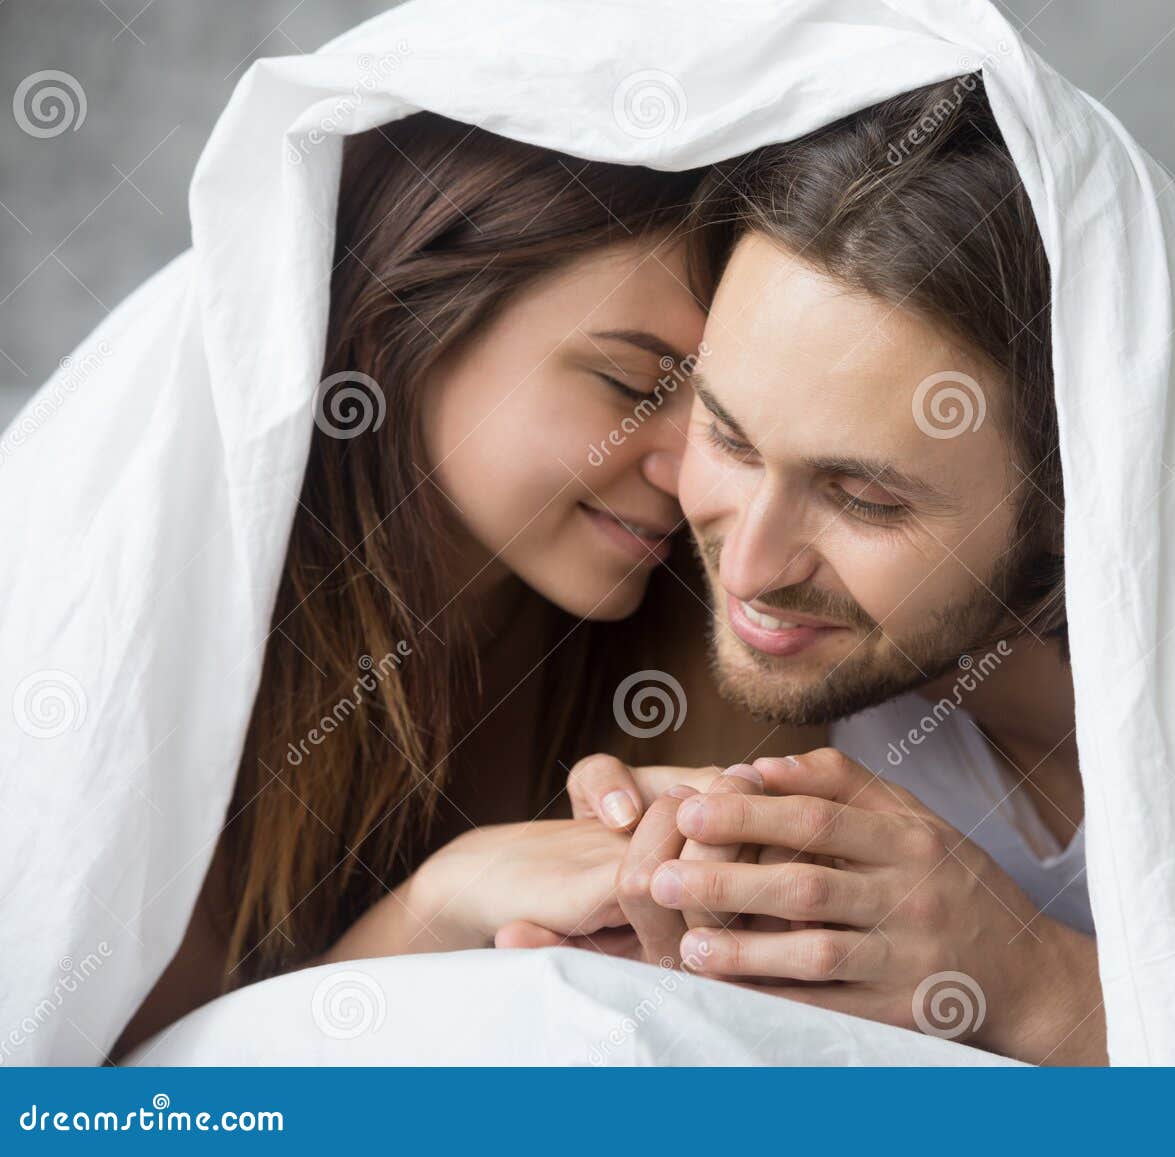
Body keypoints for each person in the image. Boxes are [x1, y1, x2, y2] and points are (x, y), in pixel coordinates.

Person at [114, 112, 821, 1057]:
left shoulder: (712, 630)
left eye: (725, 420)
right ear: (400, 326)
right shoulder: (175, 642)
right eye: (627, 385)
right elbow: (115, 1114)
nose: (693, 474)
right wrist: (441, 906)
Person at [565, 77, 1107, 1066]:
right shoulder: (743, 685)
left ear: (1077, 503)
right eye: (728, 438)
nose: (751, 566)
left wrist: (1041, 988)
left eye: (865, 498)